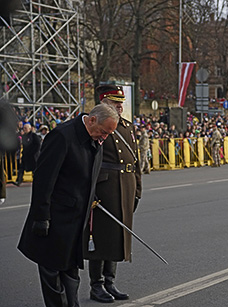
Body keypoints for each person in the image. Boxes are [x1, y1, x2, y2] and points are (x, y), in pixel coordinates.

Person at [17, 104, 119, 307]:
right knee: (52, 272)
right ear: (92, 120)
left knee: (71, 271)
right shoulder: (62, 136)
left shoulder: (95, 138)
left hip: (76, 218)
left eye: (109, 134)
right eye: (103, 132)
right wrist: (41, 216)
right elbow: (44, 179)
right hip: (56, 218)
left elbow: (88, 176)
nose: (104, 137)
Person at [83, 85, 142, 303]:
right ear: (104, 102)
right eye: (115, 103)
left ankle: (110, 282)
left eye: (120, 103)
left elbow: (134, 161)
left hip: (125, 185)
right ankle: (96, 285)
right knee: (101, 238)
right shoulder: (95, 122)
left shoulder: (126, 126)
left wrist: (137, 188)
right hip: (105, 187)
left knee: (118, 235)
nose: (120, 106)